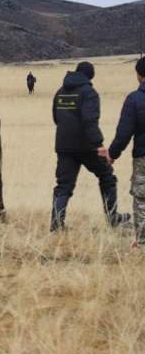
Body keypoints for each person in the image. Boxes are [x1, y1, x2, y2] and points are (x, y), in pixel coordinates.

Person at [50, 61, 130, 231]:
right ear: (90, 76)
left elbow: (56, 118)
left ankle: (56, 224)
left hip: (64, 146)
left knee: (63, 185)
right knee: (107, 177)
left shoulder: (60, 92)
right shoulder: (89, 93)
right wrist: (99, 144)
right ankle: (113, 218)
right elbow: (89, 120)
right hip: (86, 147)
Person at [108, 57, 145, 248]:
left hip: (143, 157)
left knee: (141, 199)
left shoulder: (134, 99)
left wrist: (112, 154)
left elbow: (124, 134)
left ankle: (143, 242)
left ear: (139, 76)